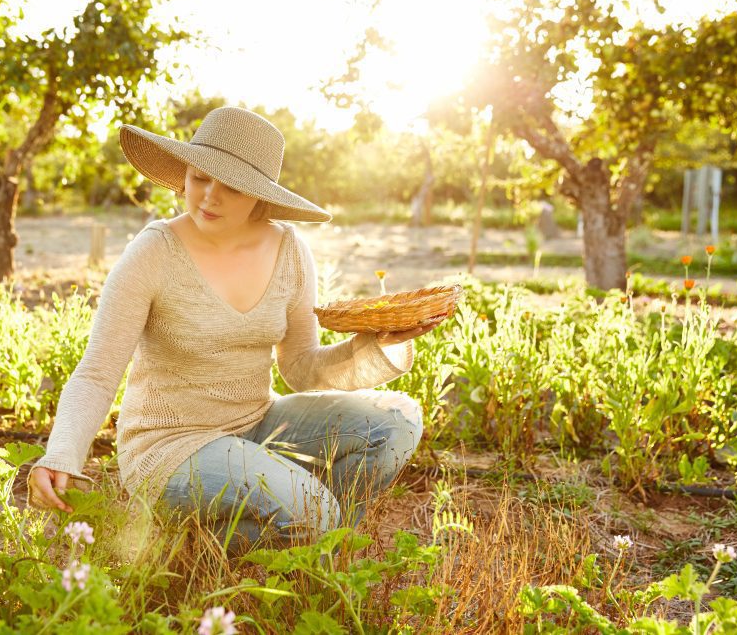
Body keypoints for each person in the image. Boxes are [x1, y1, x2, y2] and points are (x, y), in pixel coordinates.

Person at [27, 107, 445, 555]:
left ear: (259, 195)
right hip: (168, 445)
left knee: (395, 425)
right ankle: (264, 535)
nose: (209, 197)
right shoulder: (153, 252)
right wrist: (63, 454)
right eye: (199, 177)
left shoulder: (289, 251)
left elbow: (302, 368)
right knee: (314, 510)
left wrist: (376, 346)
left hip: (257, 423)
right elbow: (97, 373)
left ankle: (316, 545)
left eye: (231, 186)